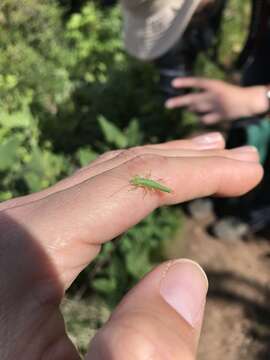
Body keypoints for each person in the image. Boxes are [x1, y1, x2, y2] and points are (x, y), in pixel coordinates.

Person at [0, 133, 262, 359]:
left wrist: (141, 178)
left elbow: (144, 181)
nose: (136, 183)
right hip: (155, 184)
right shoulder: (140, 182)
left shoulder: (143, 182)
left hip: (157, 185)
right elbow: (142, 181)